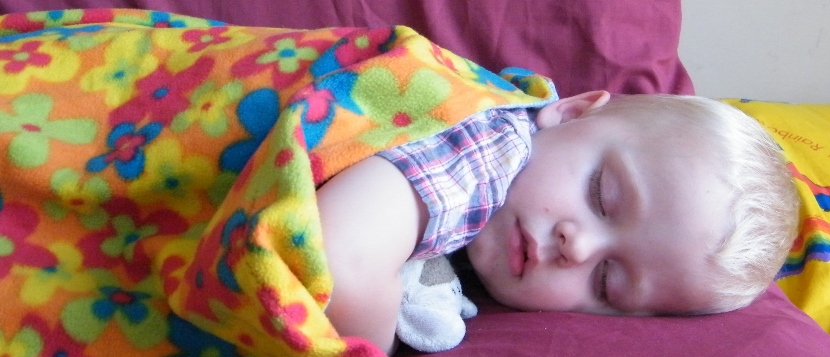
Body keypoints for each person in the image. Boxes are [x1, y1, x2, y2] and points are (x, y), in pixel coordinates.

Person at [316, 90, 801, 353]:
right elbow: (341, 257)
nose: (580, 248)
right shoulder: (486, 146)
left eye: (607, 280)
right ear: (570, 113)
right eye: (602, 195)